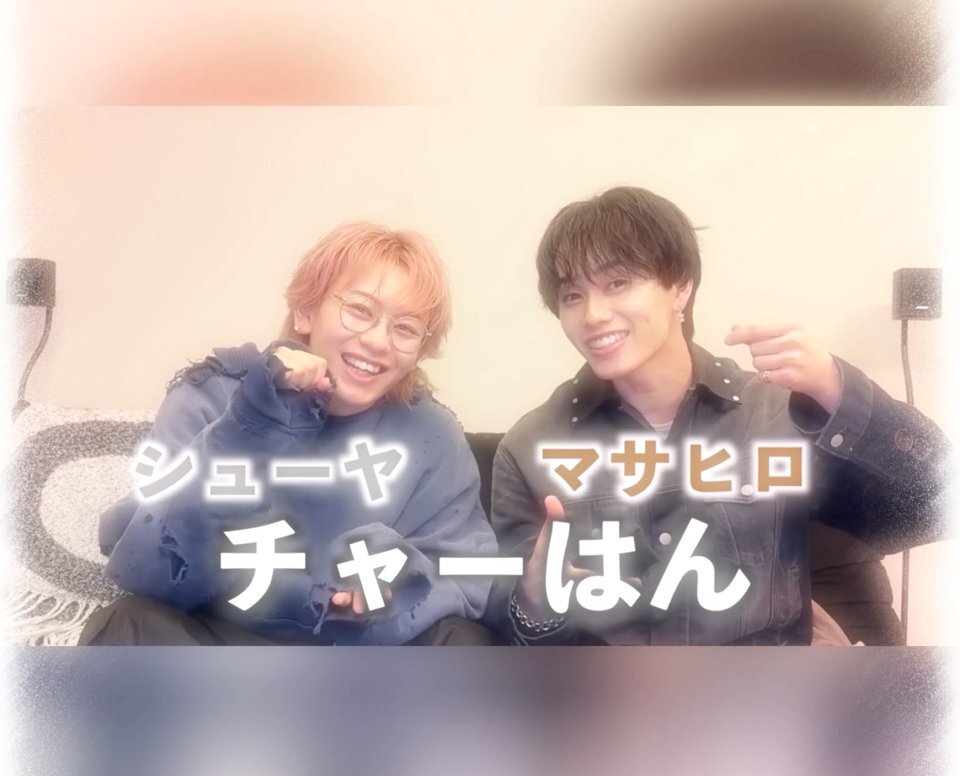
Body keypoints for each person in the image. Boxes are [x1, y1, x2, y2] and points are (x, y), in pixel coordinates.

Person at [490, 186, 951, 645]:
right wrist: (533, 600)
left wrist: (834, 387)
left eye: (617, 284)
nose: (593, 314)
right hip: (612, 689)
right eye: (572, 295)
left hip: (764, 684)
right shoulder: (532, 446)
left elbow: (937, 504)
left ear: (680, 287)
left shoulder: (778, 415)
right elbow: (507, 635)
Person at [82, 222, 498, 645]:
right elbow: (147, 568)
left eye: (405, 328)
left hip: (349, 657)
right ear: (306, 311)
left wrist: (397, 579)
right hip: (215, 641)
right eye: (360, 310)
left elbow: (468, 574)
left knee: (460, 641)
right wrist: (255, 423)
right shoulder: (211, 393)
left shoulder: (433, 433)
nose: (378, 342)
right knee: (128, 624)